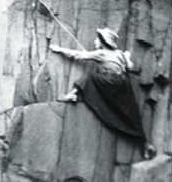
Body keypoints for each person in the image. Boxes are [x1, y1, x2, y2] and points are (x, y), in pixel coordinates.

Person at [49, 28, 155, 159]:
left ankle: (73, 94)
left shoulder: (101, 53)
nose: (95, 41)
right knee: (131, 114)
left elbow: (78, 55)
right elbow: (131, 68)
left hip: (111, 82)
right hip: (123, 85)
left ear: (103, 42)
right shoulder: (119, 53)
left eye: (97, 39)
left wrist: (59, 49)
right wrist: (126, 57)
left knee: (90, 76)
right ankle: (146, 144)